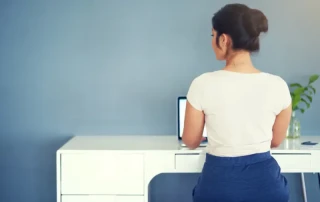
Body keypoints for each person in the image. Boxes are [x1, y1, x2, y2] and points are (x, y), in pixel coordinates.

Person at [182, 3, 292, 202]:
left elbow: (190, 141)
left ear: (223, 39)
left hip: (219, 186)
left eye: (212, 35)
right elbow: (275, 141)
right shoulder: (278, 85)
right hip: (267, 188)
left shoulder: (202, 83)